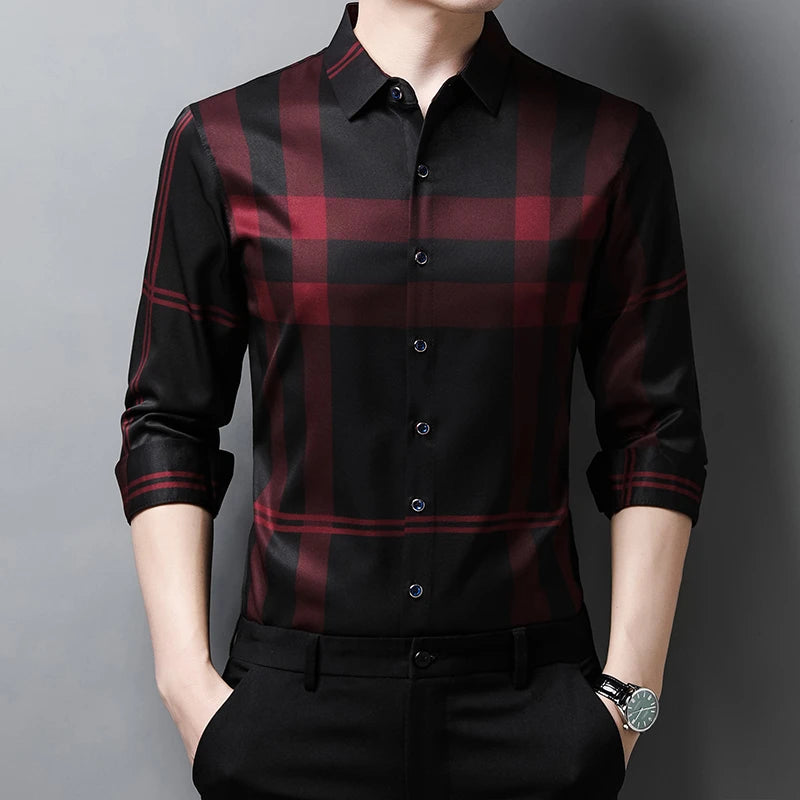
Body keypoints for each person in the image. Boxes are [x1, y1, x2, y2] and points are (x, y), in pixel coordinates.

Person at [113, 1, 708, 798]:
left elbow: (656, 431)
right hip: (292, 717)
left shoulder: (608, 145)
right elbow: (167, 420)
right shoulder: (226, 141)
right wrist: (186, 684)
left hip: (533, 718)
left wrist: (628, 701)